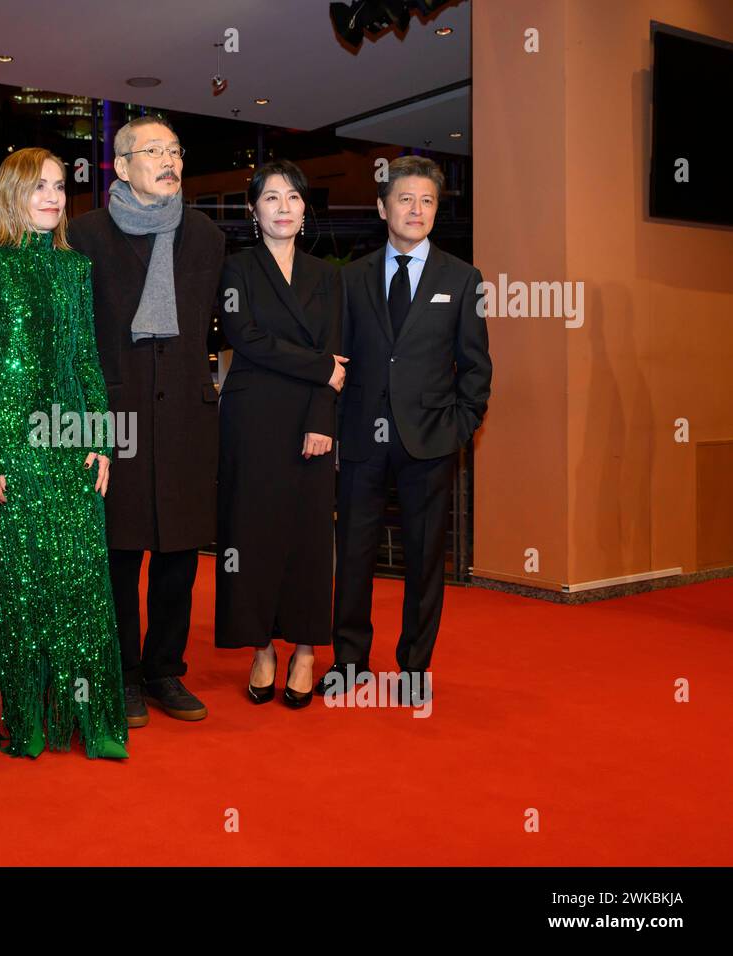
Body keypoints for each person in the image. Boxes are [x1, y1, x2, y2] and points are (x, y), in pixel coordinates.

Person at [0, 147, 127, 760]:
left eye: (59, 187)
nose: (53, 197)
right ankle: (24, 717)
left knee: (79, 580)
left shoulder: (74, 268)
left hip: (69, 440)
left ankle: (90, 718)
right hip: (12, 444)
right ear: (12, 195)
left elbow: (87, 359)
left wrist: (102, 439)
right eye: (39, 187)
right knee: (18, 584)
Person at [68, 116, 225, 727]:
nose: (168, 160)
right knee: (119, 552)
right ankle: (124, 672)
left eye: (175, 151)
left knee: (180, 553)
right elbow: (71, 336)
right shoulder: (84, 236)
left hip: (187, 417)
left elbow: (230, 324)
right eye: (152, 151)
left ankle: (165, 671)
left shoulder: (207, 235)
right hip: (115, 419)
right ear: (121, 164)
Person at [327, 155, 493, 705]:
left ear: (435, 210)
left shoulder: (462, 278)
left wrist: (458, 429)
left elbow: (476, 368)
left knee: (424, 559)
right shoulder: (350, 278)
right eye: (405, 199)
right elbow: (337, 360)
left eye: (426, 200)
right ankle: (349, 662)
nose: (416, 209)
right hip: (360, 437)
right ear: (382, 207)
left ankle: (415, 667)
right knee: (353, 553)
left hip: (429, 442)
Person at [215, 160, 346, 709]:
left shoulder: (328, 275)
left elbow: (340, 354)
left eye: (293, 197)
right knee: (251, 534)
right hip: (251, 419)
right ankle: (263, 645)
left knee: (310, 539)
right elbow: (243, 336)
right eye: (272, 198)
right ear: (253, 210)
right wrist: (318, 366)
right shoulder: (235, 269)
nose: (284, 207)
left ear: (304, 208)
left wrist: (322, 419)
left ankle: (308, 649)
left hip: (309, 423)